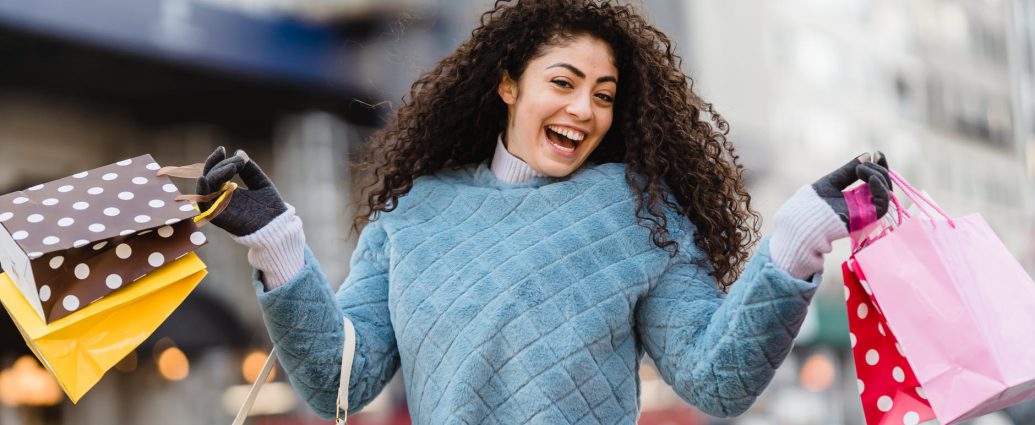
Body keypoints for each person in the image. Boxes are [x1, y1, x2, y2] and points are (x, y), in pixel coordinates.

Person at [197, 0, 892, 423]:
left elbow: (717, 380)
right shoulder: (412, 215)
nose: (582, 109)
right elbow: (335, 382)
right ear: (506, 84)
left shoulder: (638, 212)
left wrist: (799, 235)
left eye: (603, 93)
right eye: (562, 82)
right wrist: (274, 239)